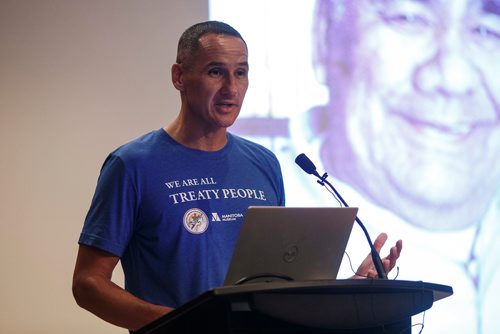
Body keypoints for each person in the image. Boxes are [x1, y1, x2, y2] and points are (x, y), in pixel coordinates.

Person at [72, 21, 402, 332]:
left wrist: (351, 288)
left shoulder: (264, 163)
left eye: (240, 73)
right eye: (215, 72)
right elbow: (89, 284)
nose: (231, 88)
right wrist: (181, 325)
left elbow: (275, 283)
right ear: (179, 76)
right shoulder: (132, 165)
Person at [287, 0, 500, 333]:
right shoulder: (265, 204)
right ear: (325, 36)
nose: (453, 77)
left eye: (489, 30)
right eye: (408, 18)